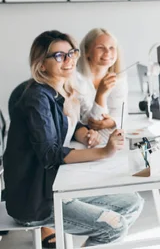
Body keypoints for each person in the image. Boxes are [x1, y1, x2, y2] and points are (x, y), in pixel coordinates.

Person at [4, 30, 143, 247]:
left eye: (71, 52)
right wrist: (104, 151)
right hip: (36, 200)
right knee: (115, 227)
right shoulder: (37, 99)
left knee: (133, 202)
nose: (69, 60)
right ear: (41, 65)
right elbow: (50, 154)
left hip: (58, 186)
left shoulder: (59, 90)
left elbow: (67, 124)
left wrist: (82, 133)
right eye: (59, 56)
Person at [77, 28, 128, 144]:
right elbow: (91, 122)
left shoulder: (119, 78)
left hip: (107, 139)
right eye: (100, 47)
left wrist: (111, 122)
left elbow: (122, 114)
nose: (107, 53)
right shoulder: (77, 79)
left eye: (111, 48)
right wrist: (101, 94)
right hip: (83, 141)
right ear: (87, 51)